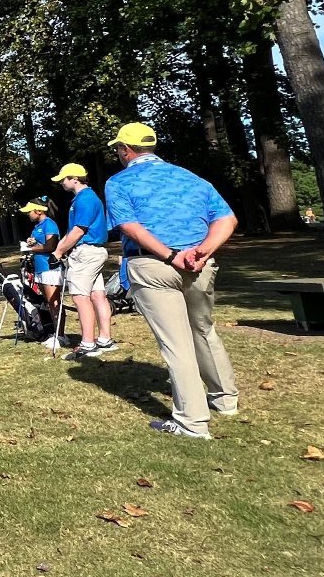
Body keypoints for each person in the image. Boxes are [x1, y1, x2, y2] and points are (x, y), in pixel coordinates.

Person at [106, 122, 239, 439]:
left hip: (153, 265)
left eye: (118, 149)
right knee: (204, 330)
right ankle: (226, 399)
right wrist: (202, 252)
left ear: (125, 150)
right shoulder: (190, 177)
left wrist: (170, 255)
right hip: (199, 265)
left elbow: (130, 228)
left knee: (176, 343)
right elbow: (227, 219)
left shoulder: (118, 182)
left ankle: (192, 422)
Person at [51, 163, 117, 360]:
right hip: (93, 252)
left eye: (64, 179)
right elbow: (74, 231)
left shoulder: (85, 199)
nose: (62, 183)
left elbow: (79, 231)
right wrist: (60, 249)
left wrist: (58, 252)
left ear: (74, 178)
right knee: (97, 295)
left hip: (86, 252)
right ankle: (105, 339)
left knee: (80, 297)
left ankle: (88, 344)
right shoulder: (83, 198)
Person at [19, 197, 65, 352]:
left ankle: (61, 335)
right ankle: (55, 332)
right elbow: (40, 243)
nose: (28, 215)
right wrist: (32, 241)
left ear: (38, 211)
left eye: (29, 212)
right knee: (48, 303)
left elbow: (51, 245)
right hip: (40, 268)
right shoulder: (38, 226)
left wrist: (30, 249)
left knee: (55, 303)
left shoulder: (49, 224)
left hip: (50, 268)